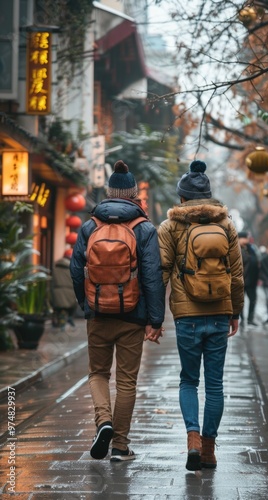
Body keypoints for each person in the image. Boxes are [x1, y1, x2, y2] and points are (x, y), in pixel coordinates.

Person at [70, 160, 165, 462]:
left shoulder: (89, 226)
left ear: (109, 193)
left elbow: (75, 271)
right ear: (135, 195)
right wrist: (155, 319)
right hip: (132, 316)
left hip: (97, 313)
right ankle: (121, 446)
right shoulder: (144, 228)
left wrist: (86, 305)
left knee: (98, 373)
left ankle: (104, 422)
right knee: (126, 381)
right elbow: (152, 276)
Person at [158, 160, 244, 471]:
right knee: (215, 385)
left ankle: (192, 439)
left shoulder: (169, 228)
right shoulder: (226, 225)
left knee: (189, 380)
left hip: (187, 316)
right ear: (209, 197)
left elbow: (161, 273)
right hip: (221, 312)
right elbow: (237, 274)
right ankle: (209, 450)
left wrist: (155, 319)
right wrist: (236, 312)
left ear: (181, 198)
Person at [238, 231, 260, 327]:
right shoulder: (236, 249)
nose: (247, 240)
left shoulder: (250, 248)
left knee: (253, 300)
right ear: (240, 238)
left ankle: (250, 319)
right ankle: (242, 319)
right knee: (240, 301)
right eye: (246, 238)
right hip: (241, 280)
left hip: (251, 280)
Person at [51, 249, 77, 330]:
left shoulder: (55, 267)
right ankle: (68, 319)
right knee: (70, 307)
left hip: (56, 292)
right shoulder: (73, 267)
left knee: (58, 308)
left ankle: (57, 321)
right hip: (70, 292)